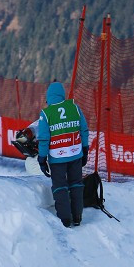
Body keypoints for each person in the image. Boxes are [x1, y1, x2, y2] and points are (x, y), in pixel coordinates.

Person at [37, 81, 89, 228]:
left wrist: (42, 158)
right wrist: (85, 149)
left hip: (57, 158)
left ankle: (65, 219)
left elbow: (44, 139)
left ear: (48, 97)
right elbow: (84, 130)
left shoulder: (46, 114)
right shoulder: (75, 108)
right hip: (75, 154)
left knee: (60, 187)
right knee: (76, 184)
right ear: (62, 95)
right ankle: (77, 216)